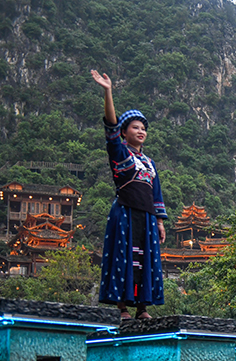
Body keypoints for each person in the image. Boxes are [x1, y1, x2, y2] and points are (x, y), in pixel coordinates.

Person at [91, 69, 166, 320]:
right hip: (124, 212)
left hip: (145, 217)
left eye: (144, 128)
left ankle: (142, 307)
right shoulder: (121, 153)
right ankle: (123, 307)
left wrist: (159, 221)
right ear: (125, 132)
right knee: (124, 258)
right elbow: (110, 126)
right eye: (135, 127)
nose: (141, 131)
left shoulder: (149, 162)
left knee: (145, 260)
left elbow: (156, 193)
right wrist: (108, 91)